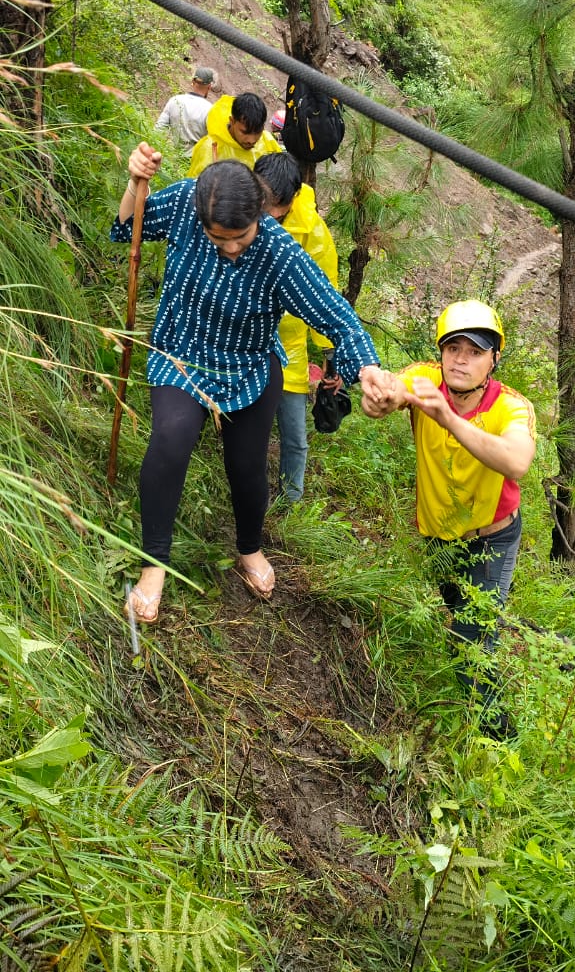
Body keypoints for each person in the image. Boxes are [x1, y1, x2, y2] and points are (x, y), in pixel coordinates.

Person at [112, 143, 384, 623]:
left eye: (241, 236)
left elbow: (338, 318)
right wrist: (136, 183)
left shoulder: (279, 253)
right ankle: (154, 563)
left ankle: (249, 548)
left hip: (248, 367)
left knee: (248, 467)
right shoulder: (185, 203)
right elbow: (126, 227)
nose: (232, 248)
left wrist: (369, 371)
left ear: (260, 212)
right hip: (181, 354)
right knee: (169, 442)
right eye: (220, 239)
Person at [362, 300, 536, 726]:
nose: (461, 359)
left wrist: (446, 417)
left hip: (491, 538)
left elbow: (517, 461)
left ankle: (495, 737)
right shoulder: (425, 379)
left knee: (471, 643)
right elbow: (396, 389)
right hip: (438, 534)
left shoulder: (511, 406)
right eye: (453, 348)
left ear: (494, 359)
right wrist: (380, 398)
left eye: (475, 351)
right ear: (440, 352)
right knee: (461, 612)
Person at [254, 151, 339, 502]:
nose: (270, 213)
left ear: (292, 198)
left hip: (289, 349)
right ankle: (250, 496)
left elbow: (324, 296)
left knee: (294, 437)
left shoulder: (312, 232)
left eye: (277, 205)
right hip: (246, 343)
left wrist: (331, 356)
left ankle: (291, 502)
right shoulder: (241, 211)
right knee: (249, 434)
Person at [188, 92, 281, 177]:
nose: (251, 140)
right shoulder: (210, 148)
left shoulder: (268, 143)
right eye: (244, 132)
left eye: (258, 132)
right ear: (232, 121)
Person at [155, 66, 215, 155]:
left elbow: (159, 128)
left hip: (174, 158)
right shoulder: (210, 109)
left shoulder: (175, 100)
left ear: (193, 82)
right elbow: (214, 141)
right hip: (197, 160)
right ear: (209, 86)